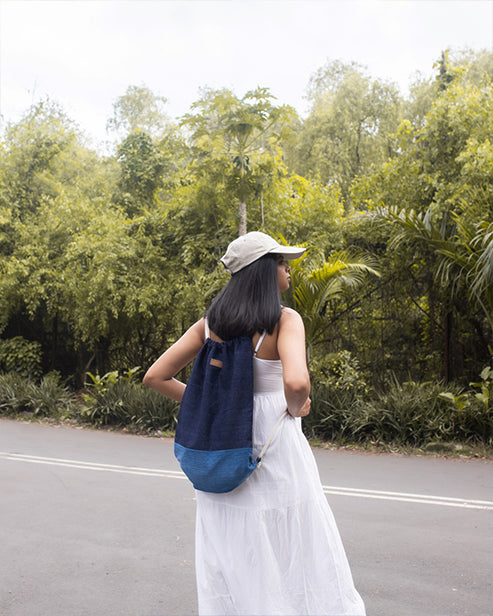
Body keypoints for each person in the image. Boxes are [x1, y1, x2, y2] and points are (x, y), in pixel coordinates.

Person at [143, 231, 366, 616]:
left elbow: (155, 376)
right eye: (282, 263)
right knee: (290, 540)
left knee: (237, 550)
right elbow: (296, 383)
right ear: (263, 272)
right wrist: (297, 407)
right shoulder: (284, 320)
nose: (288, 269)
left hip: (224, 448)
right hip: (274, 452)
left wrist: (212, 404)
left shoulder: (210, 324)